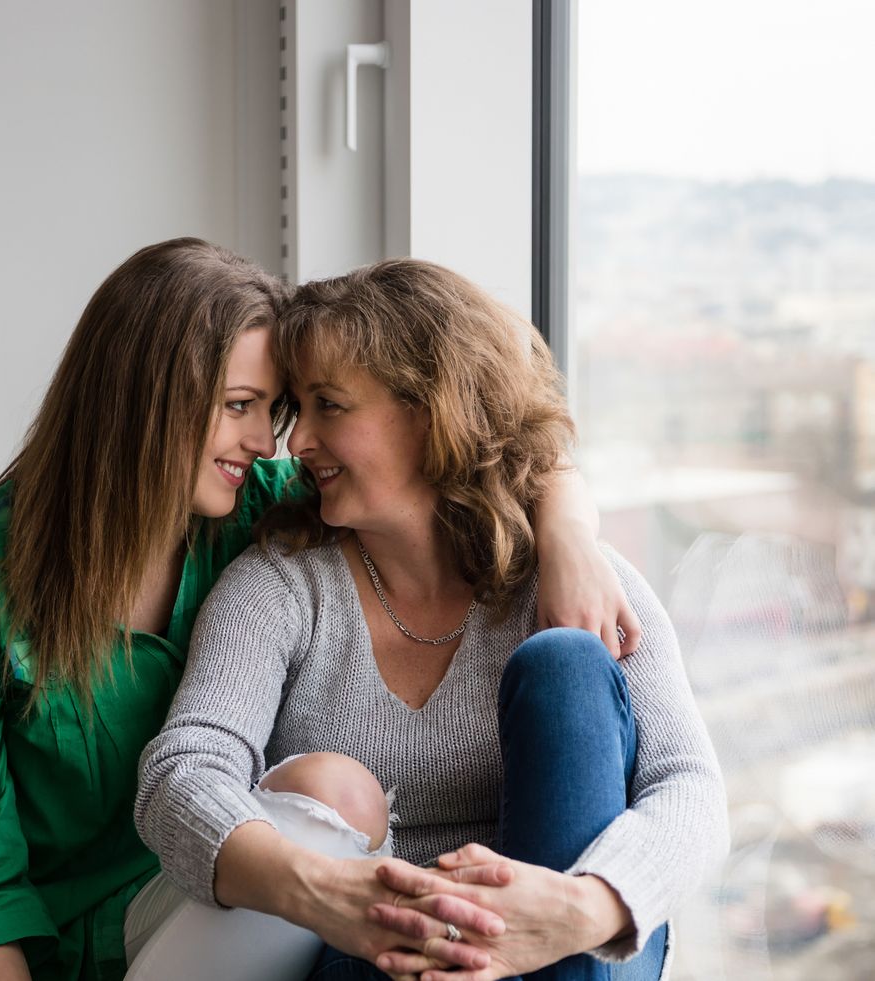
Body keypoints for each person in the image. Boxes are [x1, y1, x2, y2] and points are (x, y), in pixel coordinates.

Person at [0, 240, 632, 981]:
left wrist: (567, 533)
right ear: (141, 404)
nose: (267, 440)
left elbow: (477, 442)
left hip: (212, 913)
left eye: (274, 410)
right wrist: (325, 893)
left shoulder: (259, 510)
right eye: (240, 407)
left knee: (329, 796)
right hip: (62, 955)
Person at [132, 258, 730, 981]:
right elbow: (182, 774)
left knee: (566, 664)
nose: (295, 443)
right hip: (379, 956)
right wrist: (331, 895)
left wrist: (581, 906)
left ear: (428, 410)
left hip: (573, 944)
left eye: (330, 405)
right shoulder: (280, 589)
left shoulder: (581, 580)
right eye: (301, 409)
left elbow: (691, 789)